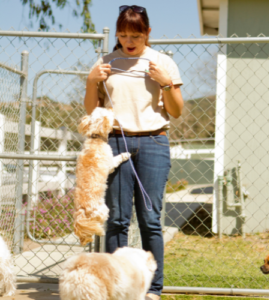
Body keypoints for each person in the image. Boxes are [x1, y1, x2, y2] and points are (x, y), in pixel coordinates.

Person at [84, 5, 184, 300]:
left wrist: (166, 83)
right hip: (115, 143)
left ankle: (153, 289)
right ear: (117, 34)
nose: (129, 41)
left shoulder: (162, 63)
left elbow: (176, 111)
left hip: (154, 144)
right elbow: (92, 110)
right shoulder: (106, 62)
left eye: (136, 35)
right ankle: (117, 287)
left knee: (151, 220)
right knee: (116, 219)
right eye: (123, 35)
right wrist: (92, 80)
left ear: (147, 33)